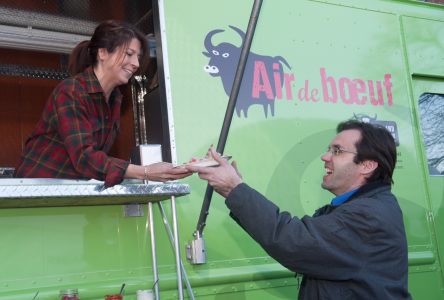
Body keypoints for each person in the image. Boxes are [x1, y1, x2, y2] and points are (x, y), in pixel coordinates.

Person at [187, 120, 411, 299]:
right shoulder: (360, 208)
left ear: (367, 165)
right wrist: (236, 189)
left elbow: (294, 241)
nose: (325, 157)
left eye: (337, 151)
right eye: (328, 150)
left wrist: (234, 189)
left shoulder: (368, 216)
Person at [14, 20, 190, 187]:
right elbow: (84, 157)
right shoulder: (72, 90)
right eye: (129, 54)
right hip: (33, 191)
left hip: (68, 191)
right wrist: (145, 172)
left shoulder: (115, 99)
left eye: (138, 57)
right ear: (103, 53)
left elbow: (95, 161)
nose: (136, 63)